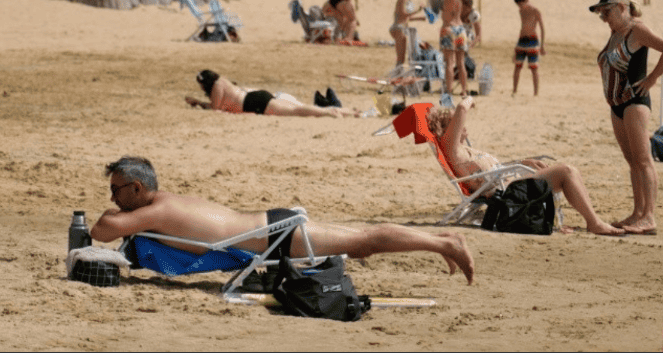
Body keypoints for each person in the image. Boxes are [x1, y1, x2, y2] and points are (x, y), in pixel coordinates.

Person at [91, 156, 475, 285]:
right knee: (362, 240)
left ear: (138, 188)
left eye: (116, 190)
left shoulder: (155, 211)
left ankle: (444, 243)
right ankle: (439, 238)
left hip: (274, 236)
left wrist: (110, 215)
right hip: (271, 227)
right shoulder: (164, 202)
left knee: (365, 241)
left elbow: (101, 231)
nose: (113, 198)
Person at [427, 97, 626, 236]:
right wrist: (469, 98)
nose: (464, 125)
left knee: (569, 172)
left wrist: (522, 162)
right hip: (508, 191)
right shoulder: (453, 150)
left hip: (510, 182)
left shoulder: (464, 150)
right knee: (567, 171)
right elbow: (462, 108)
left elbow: (494, 169)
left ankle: (588, 220)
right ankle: (594, 223)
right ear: (447, 130)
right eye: (455, 124)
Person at [589, 0, 663, 235]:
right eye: (601, 14)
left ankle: (649, 216)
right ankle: (638, 212)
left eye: (606, 12)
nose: (604, 18)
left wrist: (651, 79)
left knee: (643, 159)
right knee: (632, 161)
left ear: (621, 7)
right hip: (616, 104)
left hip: (635, 101)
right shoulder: (615, 33)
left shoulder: (637, 30)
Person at [184, 69, 358, 118]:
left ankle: (330, 112)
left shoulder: (215, 87)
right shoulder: (221, 80)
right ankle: (348, 111)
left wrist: (199, 103)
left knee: (296, 112)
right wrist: (200, 102)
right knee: (299, 108)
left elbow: (216, 108)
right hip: (257, 97)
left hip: (254, 103)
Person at [440, 0, 470, 97]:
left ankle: (449, 90)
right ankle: (464, 90)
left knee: (449, 63)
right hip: (461, 29)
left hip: (449, 28)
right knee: (461, 63)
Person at [512, 0, 546, 97]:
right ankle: (514, 90)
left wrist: (542, 45)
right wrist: (516, 46)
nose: (519, 7)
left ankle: (536, 93)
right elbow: (522, 27)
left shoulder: (535, 10)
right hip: (522, 40)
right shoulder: (521, 10)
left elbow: (542, 28)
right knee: (517, 66)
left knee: (534, 68)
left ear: (525, 0)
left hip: (532, 40)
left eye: (520, 4)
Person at [389, 0, 426, 66]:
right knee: (400, 59)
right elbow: (403, 13)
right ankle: (397, 78)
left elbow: (407, 17)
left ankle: (399, 77)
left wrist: (420, 18)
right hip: (399, 28)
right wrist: (418, 10)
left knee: (404, 58)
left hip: (403, 28)